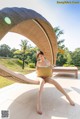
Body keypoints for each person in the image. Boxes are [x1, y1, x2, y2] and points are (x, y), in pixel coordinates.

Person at [36, 51, 75, 115]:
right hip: (40, 77)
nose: (41, 57)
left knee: (55, 82)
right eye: (39, 56)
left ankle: (68, 97)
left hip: (47, 77)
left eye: (41, 56)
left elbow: (52, 69)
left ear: (43, 55)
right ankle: (38, 104)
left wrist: (51, 67)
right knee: (42, 82)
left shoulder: (48, 62)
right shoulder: (38, 62)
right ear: (38, 57)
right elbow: (36, 71)